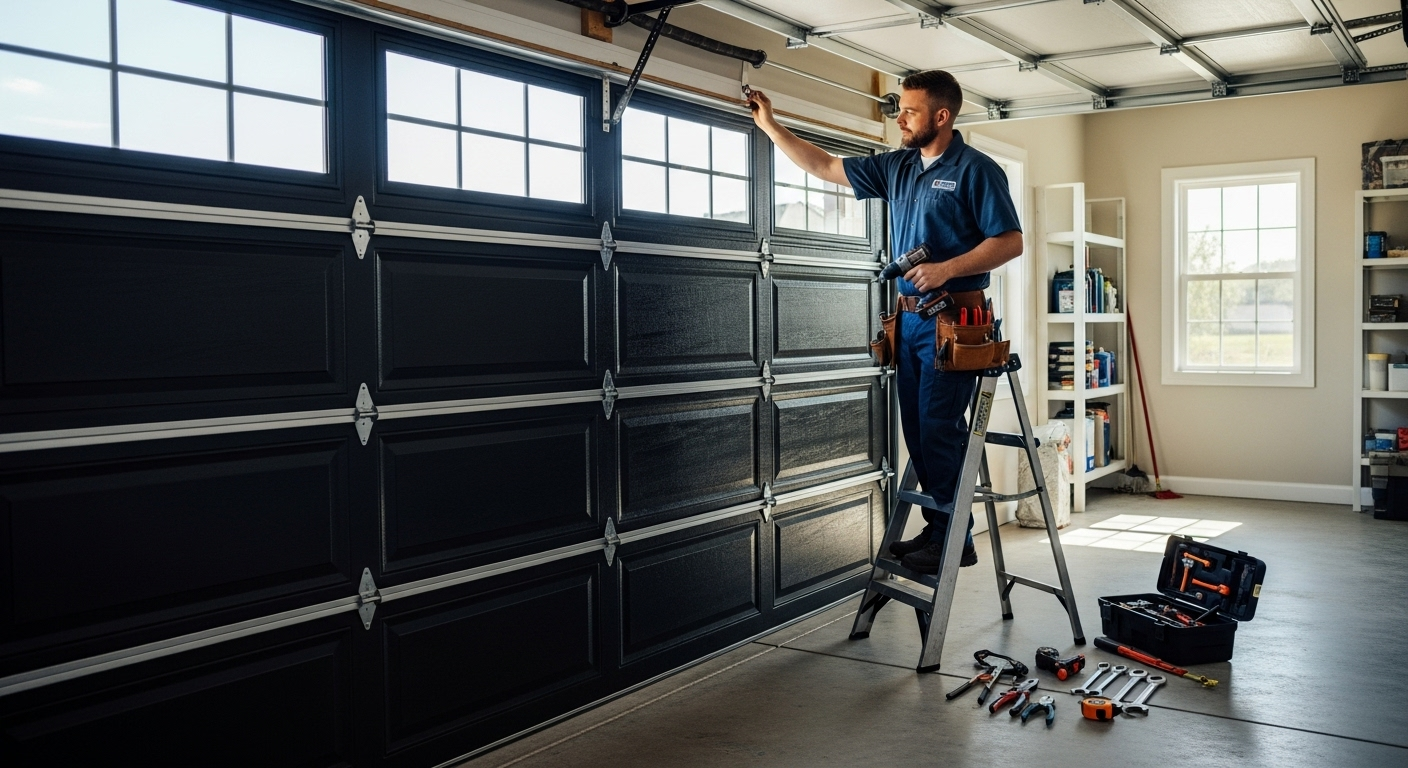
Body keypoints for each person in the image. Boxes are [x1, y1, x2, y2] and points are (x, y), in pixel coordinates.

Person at [747, 70, 1022, 574]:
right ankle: (942, 531)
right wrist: (771, 126)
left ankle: (952, 536)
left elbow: (1009, 241)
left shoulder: (977, 170)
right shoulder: (898, 167)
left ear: (941, 116)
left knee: (939, 427)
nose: (900, 117)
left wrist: (945, 268)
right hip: (910, 324)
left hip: (956, 321)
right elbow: (827, 166)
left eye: (910, 111)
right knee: (916, 430)